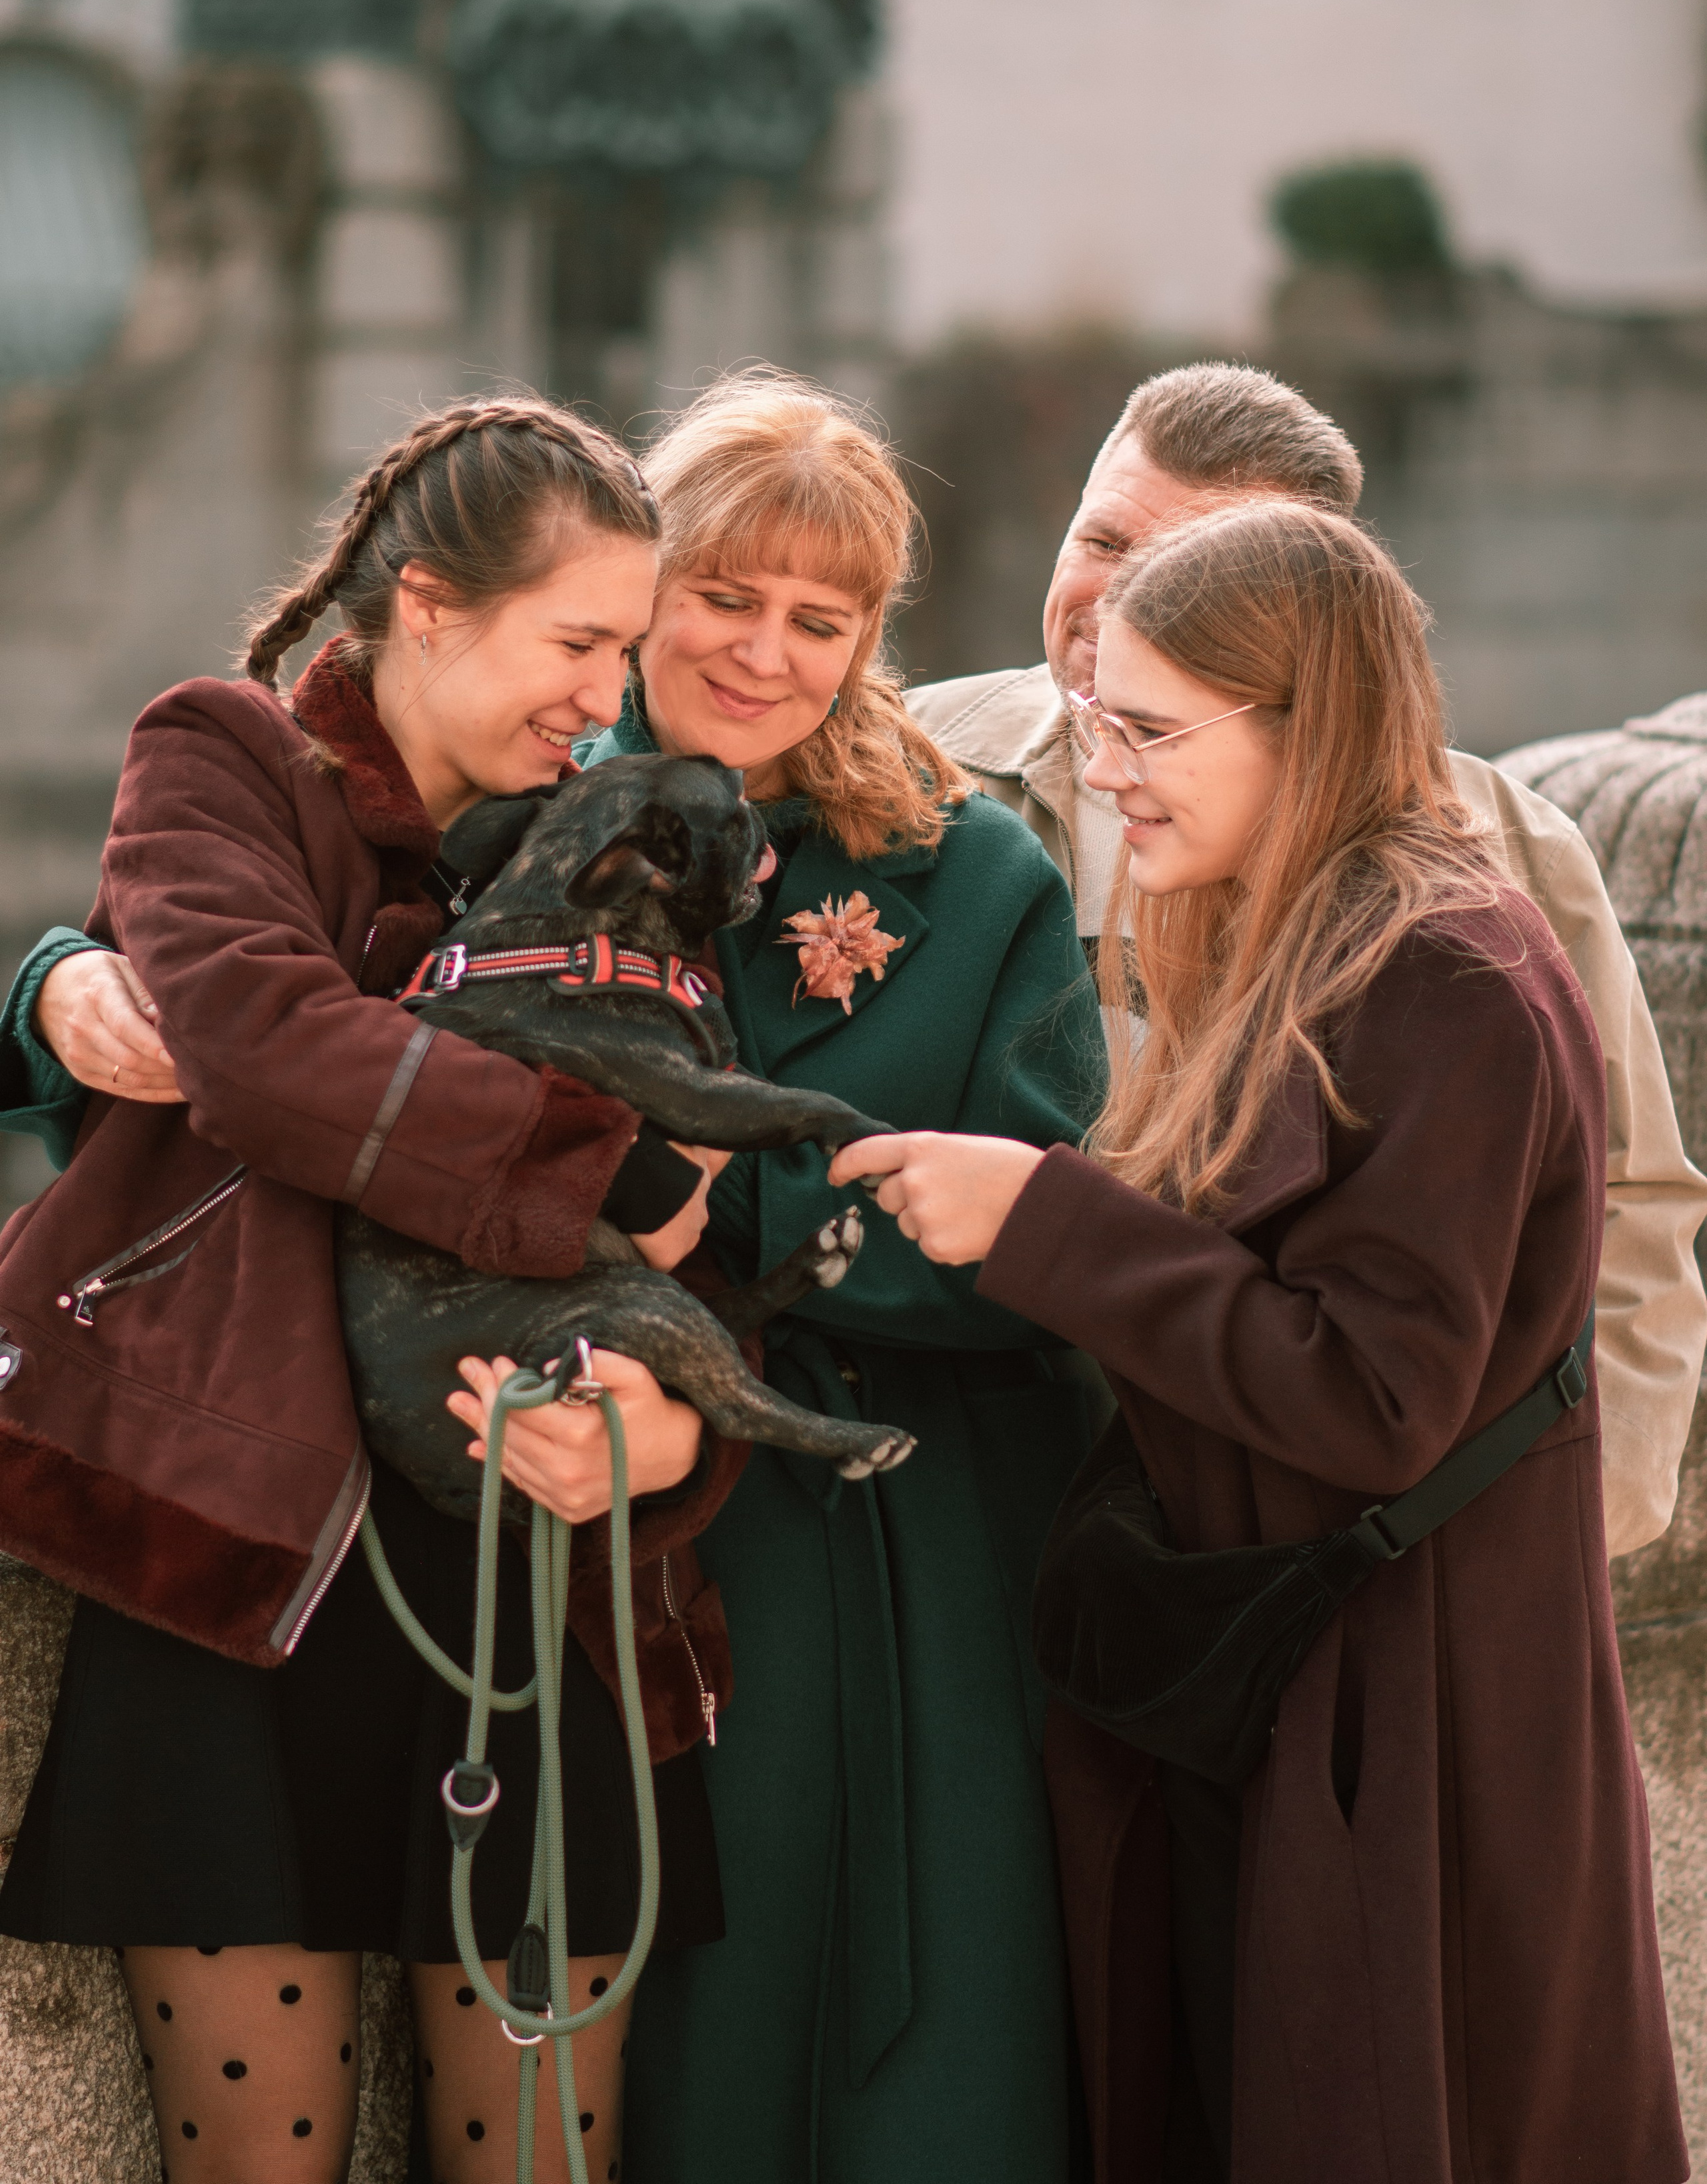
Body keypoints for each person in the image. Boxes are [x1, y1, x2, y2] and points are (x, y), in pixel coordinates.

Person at [841, 499, 1684, 2184]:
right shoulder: (1311, 929)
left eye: (1150, 731)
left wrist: (1042, 1223)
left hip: (1402, 1700)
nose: (1110, 772)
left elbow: (1370, 1396)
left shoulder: (1441, 972)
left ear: (1306, 723)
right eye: (1095, 722)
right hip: (1309, 1681)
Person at [0, 397, 746, 2184]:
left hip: (535, 1582)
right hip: (231, 1560)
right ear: (426, 606)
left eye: (626, 653)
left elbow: (731, 1251)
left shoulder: (631, 840)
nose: (604, 694)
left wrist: (670, 1437)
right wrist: (606, 1168)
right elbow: (261, 1050)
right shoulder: (222, 758)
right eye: (576, 642)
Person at [458, 371, 1110, 2183]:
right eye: (721, 597)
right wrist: (53, 990)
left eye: (820, 620)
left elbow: (1041, 1231)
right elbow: (217, 956)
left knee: (916, 2078)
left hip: (904, 1551)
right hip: (569, 1531)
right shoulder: (503, 804)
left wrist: (715, 1219)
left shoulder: (975, 871)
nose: (763, 651)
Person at [906, 361, 1707, 1559]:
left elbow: (1627, 1207)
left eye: (1193, 572)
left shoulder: (1498, 857)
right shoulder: (905, 770)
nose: (1118, 598)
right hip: (955, 1500)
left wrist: (1546, 1539)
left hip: (1293, 1547)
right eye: (1104, 538)